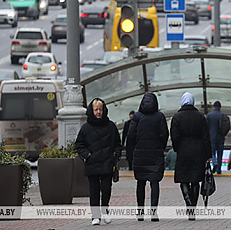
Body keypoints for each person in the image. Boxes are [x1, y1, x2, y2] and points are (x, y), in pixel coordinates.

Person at [75, 98, 122, 226]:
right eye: (96, 109)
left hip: (107, 162)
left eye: (100, 109)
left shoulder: (110, 126)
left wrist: (115, 155)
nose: (98, 112)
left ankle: (105, 211)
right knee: (94, 190)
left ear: (104, 110)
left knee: (107, 188)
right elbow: (79, 145)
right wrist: (87, 156)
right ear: (92, 110)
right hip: (92, 163)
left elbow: (118, 143)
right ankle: (95, 216)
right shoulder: (86, 128)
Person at [127, 93, 169, 222]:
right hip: (155, 154)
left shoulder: (137, 117)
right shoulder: (159, 117)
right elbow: (164, 135)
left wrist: (133, 152)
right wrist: (159, 147)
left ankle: (140, 212)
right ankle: (154, 212)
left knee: (141, 182)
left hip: (140, 154)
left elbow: (131, 136)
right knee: (154, 182)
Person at [170, 92, 211, 221]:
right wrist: (208, 154)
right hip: (198, 151)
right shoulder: (200, 116)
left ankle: (187, 200)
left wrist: (177, 148)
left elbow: (174, 137)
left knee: (183, 178)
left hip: (183, 150)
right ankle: (193, 206)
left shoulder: (177, 117)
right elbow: (206, 136)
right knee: (195, 179)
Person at [206, 100, 225, 174]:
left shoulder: (209, 115)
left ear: (214, 107)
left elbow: (206, 127)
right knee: (220, 153)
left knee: (212, 152)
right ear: (220, 107)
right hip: (221, 137)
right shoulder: (223, 115)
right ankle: (219, 170)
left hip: (212, 137)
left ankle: (214, 162)